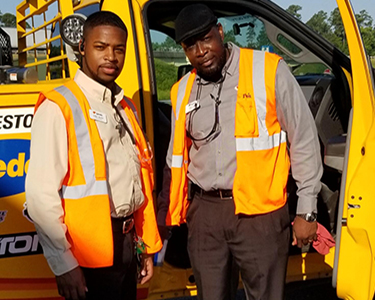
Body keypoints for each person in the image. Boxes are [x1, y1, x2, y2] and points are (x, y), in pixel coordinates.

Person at [158, 4, 323, 300]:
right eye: (190, 45)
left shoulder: (268, 69)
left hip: (260, 215)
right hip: (205, 213)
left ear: (220, 32)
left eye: (206, 38)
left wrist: (307, 209)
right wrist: (171, 215)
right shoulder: (182, 89)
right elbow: (176, 157)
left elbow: (304, 139)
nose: (201, 50)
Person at [25, 11, 162, 300]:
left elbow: (134, 180)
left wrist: (143, 248)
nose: (111, 57)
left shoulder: (124, 106)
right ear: (82, 48)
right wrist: (64, 265)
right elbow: (40, 196)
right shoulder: (60, 106)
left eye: (118, 49)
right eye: (100, 47)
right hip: (86, 254)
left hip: (125, 244)